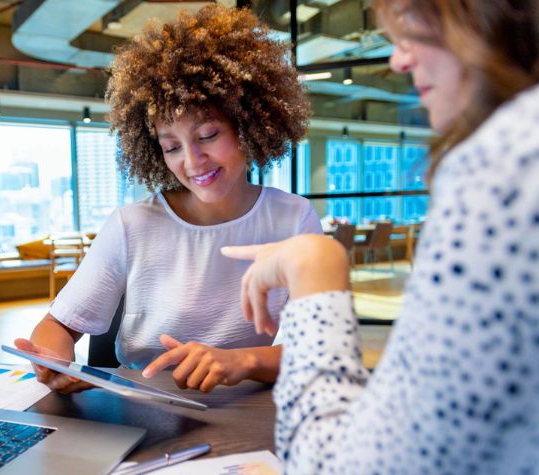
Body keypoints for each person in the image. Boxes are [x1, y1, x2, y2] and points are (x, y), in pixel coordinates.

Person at [222, 0, 539, 472]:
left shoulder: (505, 166)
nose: (398, 59)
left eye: (413, 24)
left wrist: (313, 266)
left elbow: (351, 466)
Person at [15, 4, 320, 394]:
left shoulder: (293, 218)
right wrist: (54, 360)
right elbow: (58, 326)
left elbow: (314, 351)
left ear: (249, 126)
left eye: (208, 136)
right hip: (143, 406)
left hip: (253, 412)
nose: (192, 162)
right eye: (171, 146)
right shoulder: (132, 225)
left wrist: (241, 361)